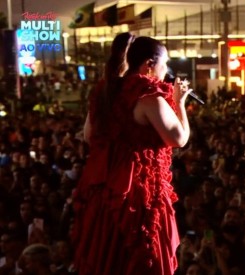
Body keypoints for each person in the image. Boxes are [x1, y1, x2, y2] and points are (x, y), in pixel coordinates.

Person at [72, 33, 192, 275]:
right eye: (164, 63)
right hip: (137, 192)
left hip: (105, 189)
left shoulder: (106, 90)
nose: (166, 69)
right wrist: (179, 103)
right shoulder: (148, 95)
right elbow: (178, 138)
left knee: (109, 257)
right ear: (149, 64)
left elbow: (88, 135)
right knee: (140, 254)